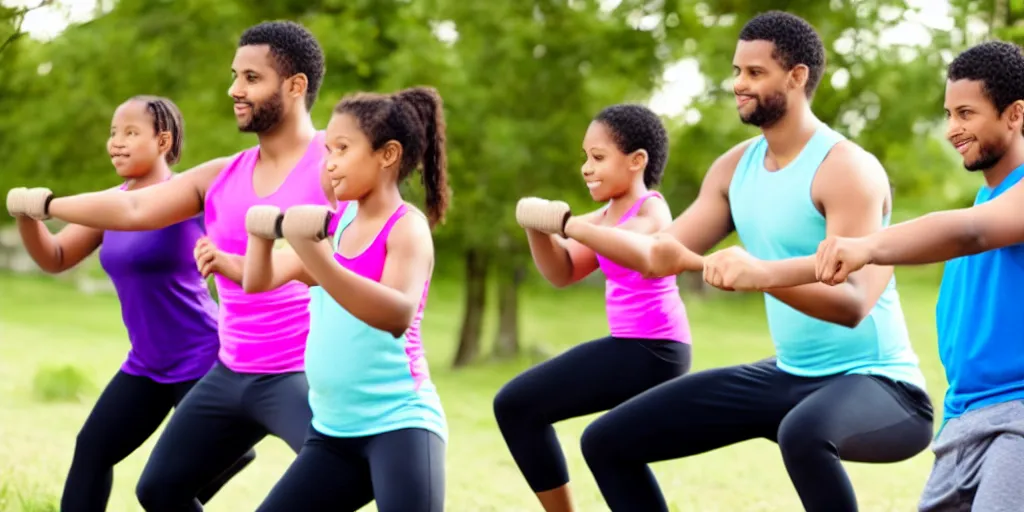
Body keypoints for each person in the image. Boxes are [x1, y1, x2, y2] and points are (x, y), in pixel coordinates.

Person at [553, 11, 934, 512]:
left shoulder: (847, 169)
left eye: (755, 73)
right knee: (607, 441)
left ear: (797, 78)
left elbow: (854, 302)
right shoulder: (735, 168)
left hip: (883, 385)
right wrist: (570, 226)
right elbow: (656, 254)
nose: (738, 84)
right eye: (737, 71)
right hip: (791, 376)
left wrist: (760, 276)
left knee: (803, 433)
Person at [5, 20, 330, 511]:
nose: (234, 90)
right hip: (207, 368)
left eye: (250, 78)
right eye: (234, 76)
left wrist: (248, 261)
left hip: (280, 368)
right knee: (147, 483)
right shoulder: (223, 174)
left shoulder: (335, 160)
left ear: (295, 85)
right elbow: (129, 212)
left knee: (340, 469)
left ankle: (232, 452)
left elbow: (359, 243)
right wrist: (44, 207)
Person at [6, 95, 255, 511]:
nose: (116, 143)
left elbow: (245, 239)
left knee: (162, 490)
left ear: (163, 141)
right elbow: (56, 257)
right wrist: (27, 215)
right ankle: (227, 455)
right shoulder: (110, 204)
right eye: (113, 133)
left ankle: (227, 454)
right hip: (147, 364)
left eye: (130, 133)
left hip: (202, 359)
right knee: (92, 451)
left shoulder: (189, 197)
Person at [815, 40, 1024, 512]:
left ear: (1015, 114)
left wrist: (868, 245)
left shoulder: (996, 211)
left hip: (1017, 417)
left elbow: (968, 233)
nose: (953, 129)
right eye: (949, 114)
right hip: (963, 417)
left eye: (966, 113)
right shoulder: (985, 203)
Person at [241, 86, 449, 512]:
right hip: (333, 434)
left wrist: (314, 255)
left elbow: (397, 313)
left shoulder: (405, 228)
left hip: (401, 425)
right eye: (327, 149)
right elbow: (259, 281)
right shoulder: (337, 223)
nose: (328, 161)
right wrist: (260, 237)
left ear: (386, 155)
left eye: (342, 148)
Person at [494, 104, 692, 512]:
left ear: (637, 161)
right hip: (630, 346)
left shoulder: (652, 209)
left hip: (654, 349)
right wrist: (538, 229)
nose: (586, 167)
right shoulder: (602, 216)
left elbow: (640, 247)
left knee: (525, 408)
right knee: (598, 441)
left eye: (598, 157)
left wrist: (568, 225)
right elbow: (562, 270)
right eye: (585, 157)